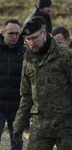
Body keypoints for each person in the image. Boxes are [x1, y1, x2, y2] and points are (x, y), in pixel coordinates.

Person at [13, 17, 72, 150]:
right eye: (28, 39)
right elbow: (26, 96)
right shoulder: (28, 60)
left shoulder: (65, 55)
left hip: (67, 125)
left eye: (34, 38)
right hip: (40, 126)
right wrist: (19, 124)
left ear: (44, 33)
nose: (31, 42)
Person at [0, 19, 26, 150]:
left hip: (16, 105)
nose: (14, 36)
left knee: (16, 140)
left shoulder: (26, 53)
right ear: (3, 33)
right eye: (11, 33)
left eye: (17, 33)